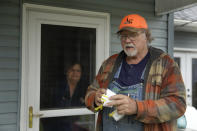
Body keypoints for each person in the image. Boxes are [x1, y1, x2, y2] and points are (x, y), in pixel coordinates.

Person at [85, 14, 186, 131]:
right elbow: (90, 92)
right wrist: (95, 98)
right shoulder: (109, 63)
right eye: (123, 36)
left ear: (146, 36)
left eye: (133, 35)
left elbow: (178, 105)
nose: (127, 40)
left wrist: (137, 108)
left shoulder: (166, 64)